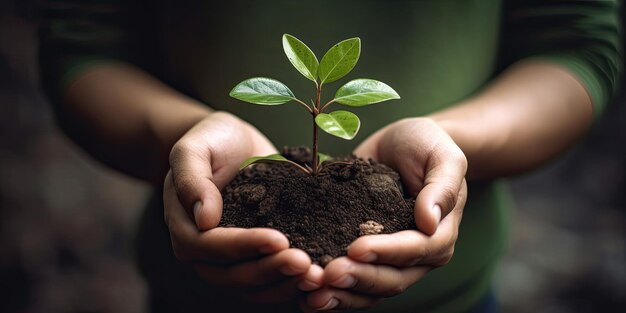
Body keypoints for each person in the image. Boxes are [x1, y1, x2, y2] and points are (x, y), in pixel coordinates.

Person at [38, 0, 621, 312]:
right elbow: (82, 46)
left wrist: (454, 143)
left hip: (452, 302)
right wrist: (185, 135)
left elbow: (576, 46)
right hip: (196, 295)